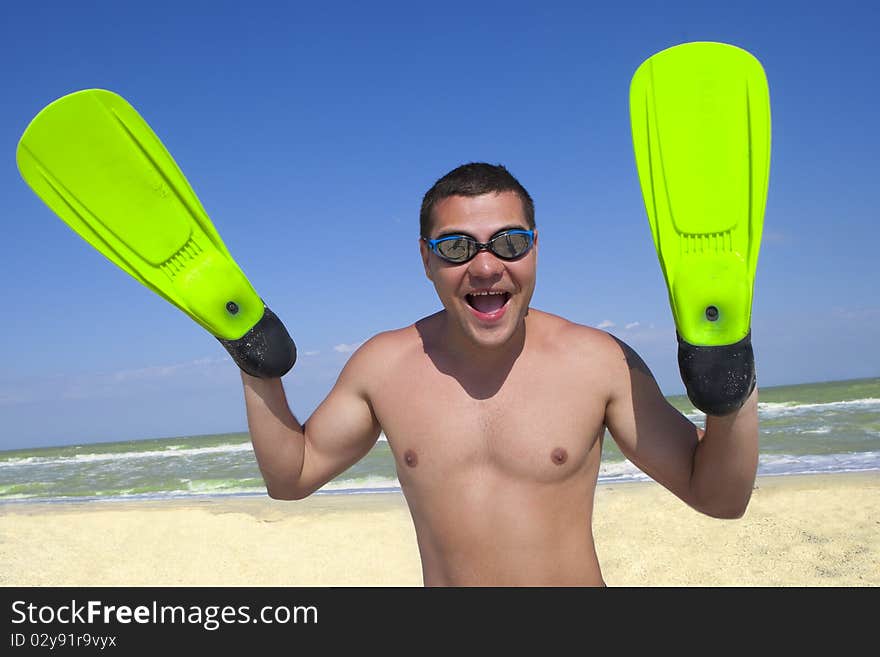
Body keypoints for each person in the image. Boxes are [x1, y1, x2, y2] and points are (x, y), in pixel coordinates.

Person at [239, 162, 759, 586]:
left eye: (509, 242)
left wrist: (733, 384)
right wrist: (252, 357)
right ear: (425, 259)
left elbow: (719, 498)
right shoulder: (384, 366)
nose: (486, 267)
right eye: (456, 246)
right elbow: (292, 476)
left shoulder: (597, 361)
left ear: (535, 247)